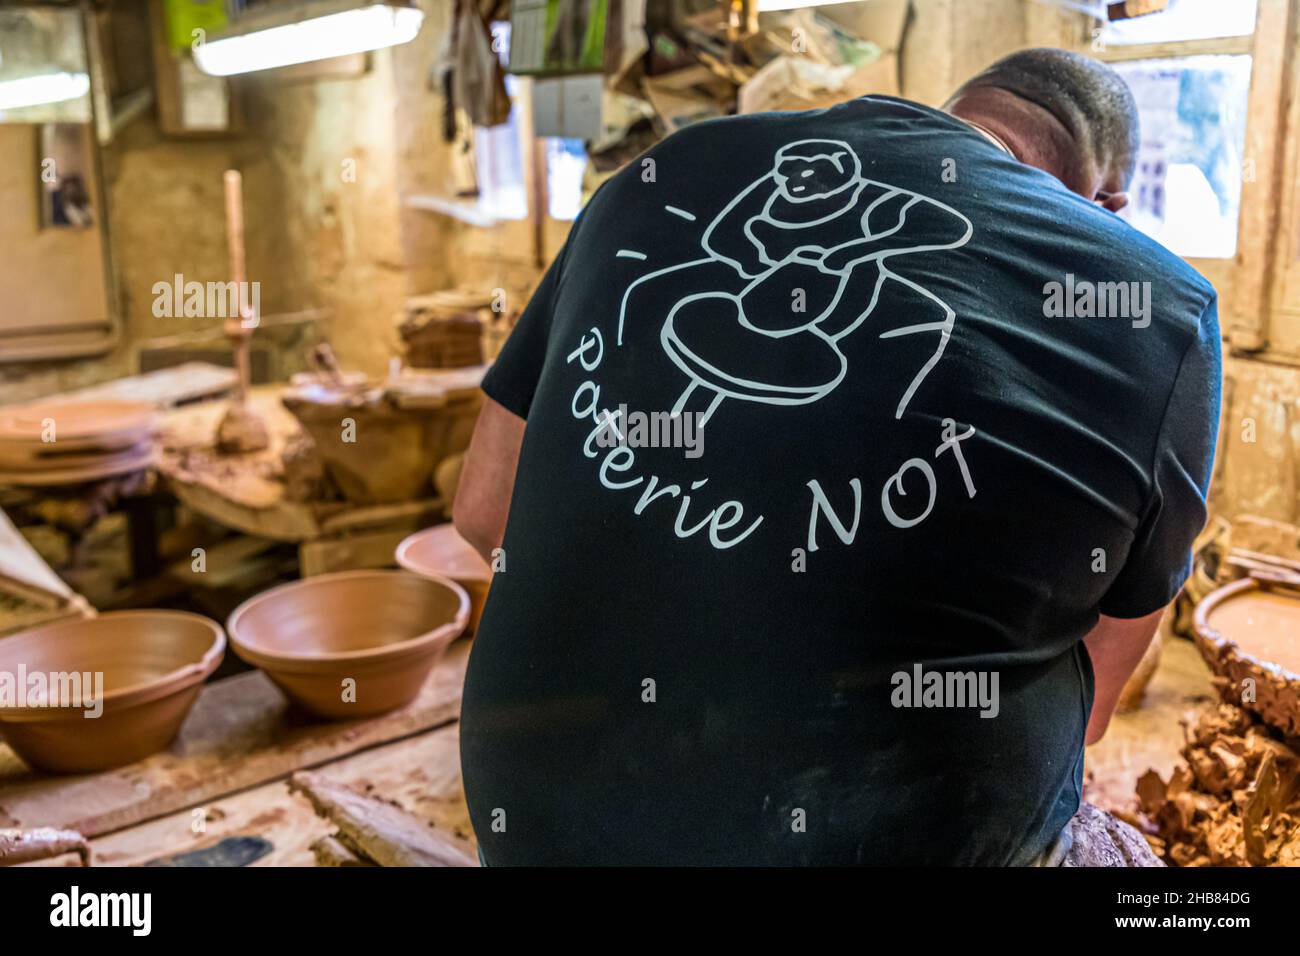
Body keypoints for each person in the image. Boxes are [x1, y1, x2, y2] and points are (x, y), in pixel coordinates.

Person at [453, 48, 1221, 865]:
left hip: (538, 816)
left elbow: (484, 509)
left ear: (949, 113)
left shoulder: (665, 165)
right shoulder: (1160, 305)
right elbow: (1095, 704)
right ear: (1109, 204)